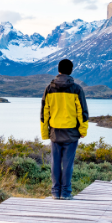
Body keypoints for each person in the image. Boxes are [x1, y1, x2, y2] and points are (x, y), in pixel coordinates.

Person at [40, 58, 89, 199]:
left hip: (55, 131)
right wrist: (83, 130)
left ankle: (55, 192)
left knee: (55, 162)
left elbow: (44, 113)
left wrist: (45, 133)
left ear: (58, 70)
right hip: (72, 132)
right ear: (71, 70)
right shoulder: (76, 89)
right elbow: (83, 112)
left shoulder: (49, 89)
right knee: (68, 163)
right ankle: (66, 193)